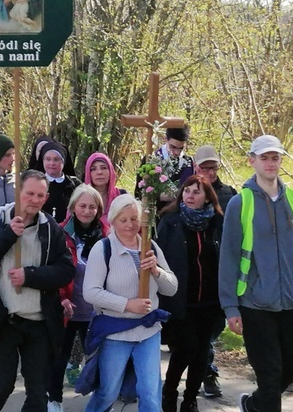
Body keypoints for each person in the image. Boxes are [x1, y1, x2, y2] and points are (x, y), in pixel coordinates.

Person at [218, 135, 293, 412]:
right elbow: (228, 259)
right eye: (263, 157)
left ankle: (253, 406)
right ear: (252, 161)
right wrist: (230, 307)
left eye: (274, 157)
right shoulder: (240, 204)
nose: (269, 163)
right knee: (270, 376)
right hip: (255, 304)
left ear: (280, 161)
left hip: (291, 303)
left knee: (290, 367)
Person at [0, 169, 75, 412]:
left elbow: (66, 270)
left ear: (46, 197)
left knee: (38, 395)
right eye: (29, 194)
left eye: (40, 195)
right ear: (18, 192)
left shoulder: (51, 229)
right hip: (2, 320)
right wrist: (7, 235)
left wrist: (30, 276)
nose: (34, 200)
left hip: (38, 322)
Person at [82, 193, 178, 412]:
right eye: (123, 220)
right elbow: (91, 292)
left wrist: (156, 271)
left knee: (150, 394)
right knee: (108, 392)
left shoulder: (149, 245)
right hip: (116, 331)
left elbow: (172, 288)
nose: (129, 225)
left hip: (149, 331)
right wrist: (127, 304)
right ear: (113, 221)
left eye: (134, 219)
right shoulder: (103, 248)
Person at [155, 175, 224, 412]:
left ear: (207, 197)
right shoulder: (170, 221)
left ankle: (190, 399)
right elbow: (161, 260)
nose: (190, 196)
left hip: (209, 301)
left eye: (196, 192)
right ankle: (169, 393)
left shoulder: (216, 222)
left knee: (201, 352)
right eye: (187, 191)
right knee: (186, 348)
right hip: (181, 300)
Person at [47, 185, 108, 412]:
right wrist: (62, 298)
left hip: (95, 309)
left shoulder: (106, 235)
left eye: (92, 206)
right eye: (82, 206)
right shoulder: (59, 233)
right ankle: (54, 399)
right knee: (59, 358)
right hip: (67, 307)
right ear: (73, 207)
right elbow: (55, 270)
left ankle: (100, 400)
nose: (87, 210)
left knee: (98, 359)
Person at [192, 144, 238, 398]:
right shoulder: (188, 192)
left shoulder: (230, 195)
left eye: (213, 167)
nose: (209, 172)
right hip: (196, 271)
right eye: (204, 167)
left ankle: (205, 369)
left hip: (222, 268)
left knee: (214, 326)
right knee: (197, 331)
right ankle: (203, 371)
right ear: (196, 167)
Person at [39, 141, 81, 223]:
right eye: (48, 159)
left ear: (63, 162)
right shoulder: (36, 182)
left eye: (56, 159)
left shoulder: (75, 184)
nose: (52, 163)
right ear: (43, 161)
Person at [83, 152, 127, 228]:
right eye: (93, 169)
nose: (99, 172)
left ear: (110, 171)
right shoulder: (80, 198)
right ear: (88, 173)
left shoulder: (122, 196)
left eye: (103, 168)